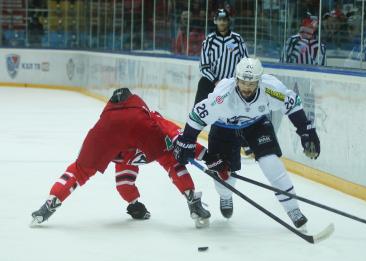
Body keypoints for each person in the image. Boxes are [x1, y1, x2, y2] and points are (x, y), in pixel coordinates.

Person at [173, 58, 320, 229]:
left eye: (252, 83)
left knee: (271, 163)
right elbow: (197, 115)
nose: (247, 88)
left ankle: (293, 209)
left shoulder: (271, 88)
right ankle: (225, 194)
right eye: (243, 82)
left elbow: (292, 103)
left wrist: (306, 131)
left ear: (259, 80)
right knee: (224, 174)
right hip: (224, 127)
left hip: (256, 125)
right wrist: (187, 141)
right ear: (236, 79)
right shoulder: (222, 96)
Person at [31, 88, 211, 228]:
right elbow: (176, 135)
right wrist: (204, 154)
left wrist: (132, 202)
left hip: (111, 144)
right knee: (171, 160)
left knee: (80, 170)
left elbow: (123, 186)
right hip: (140, 140)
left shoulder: (105, 119)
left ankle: (50, 203)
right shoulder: (147, 114)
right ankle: (192, 199)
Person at [195, 8, 248, 105]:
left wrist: (236, 81)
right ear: (215, 21)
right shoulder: (209, 41)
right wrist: (216, 81)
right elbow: (203, 67)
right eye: (219, 19)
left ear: (229, 21)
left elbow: (245, 62)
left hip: (232, 85)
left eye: (224, 19)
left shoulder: (237, 39)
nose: (222, 22)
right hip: (212, 83)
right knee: (202, 86)